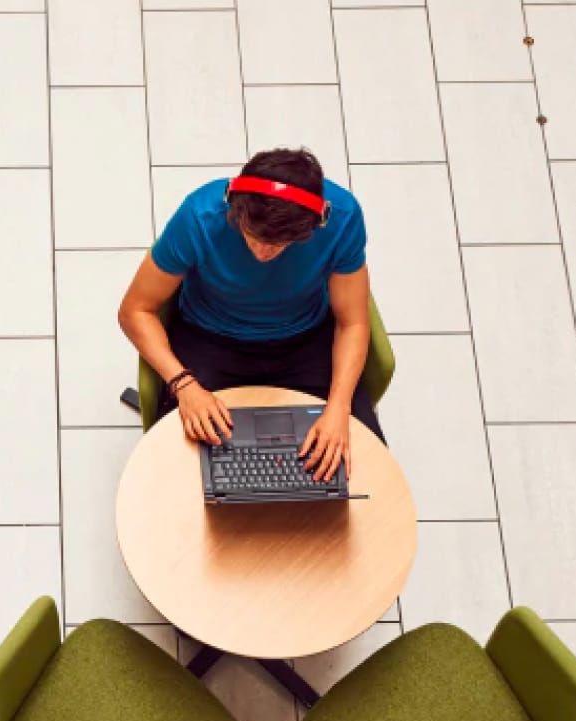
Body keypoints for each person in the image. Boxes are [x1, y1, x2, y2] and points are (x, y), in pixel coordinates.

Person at [118, 147, 382, 483]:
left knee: (361, 473)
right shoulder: (200, 216)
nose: (262, 252)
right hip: (210, 339)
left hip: (306, 340)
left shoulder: (343, 218)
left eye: (278, 244)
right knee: (175, 479)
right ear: (235, 206)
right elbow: (134, 310)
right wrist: (184, 385)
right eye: (253, 236)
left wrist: (338, 408)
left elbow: (353, 322)